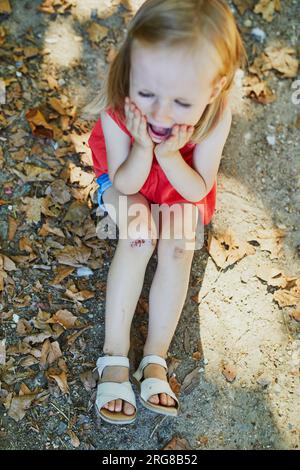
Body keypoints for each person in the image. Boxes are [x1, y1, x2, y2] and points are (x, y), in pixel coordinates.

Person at [86, 0, 247, 424]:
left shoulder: (215, 114)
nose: (159, 113)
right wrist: (145, 146)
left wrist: (171, 154)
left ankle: (155, 357)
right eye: (147, 93)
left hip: (180, 182)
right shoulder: (121, 105)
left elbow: (198, 186)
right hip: (128, 177)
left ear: (213, 90)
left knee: (178, 247)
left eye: (180, 101)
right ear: (129, 69)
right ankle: (114, 355)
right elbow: (125, 183)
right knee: (139, 235)